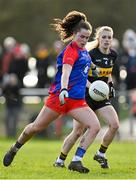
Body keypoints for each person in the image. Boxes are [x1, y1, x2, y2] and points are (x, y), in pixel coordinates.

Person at [3, 11, 100, 173]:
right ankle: (15, 147)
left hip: (76, 101)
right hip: (60, 97)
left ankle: (76, 160)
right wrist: (63, 89)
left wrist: (94, 77)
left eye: (87, 37)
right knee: (35, 128)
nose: (84, 40)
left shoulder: (84, 52)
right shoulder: (71, 51)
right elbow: (66, 74)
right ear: (74, 34)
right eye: (82, 36)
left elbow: (83, 74)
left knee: (95, 126)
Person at [54, 26, 119, 169]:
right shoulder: (90, 54)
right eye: (104, 37)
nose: (107, 40)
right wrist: (93, 87)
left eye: (109, 37)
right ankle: (60, 159)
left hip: (101, 96)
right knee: (77, 132)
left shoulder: (113, 55)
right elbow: (81, 76)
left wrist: (110, 84)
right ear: (98, 39)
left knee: (114, 124)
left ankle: (100, 154)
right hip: (85, 96)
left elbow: (107, 72)